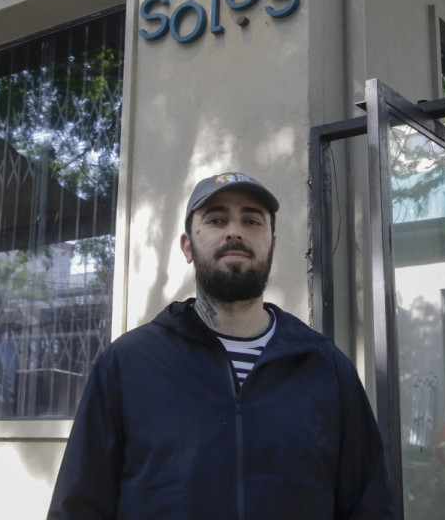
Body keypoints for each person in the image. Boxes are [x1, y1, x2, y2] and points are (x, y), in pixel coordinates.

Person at [47, 172, 394, 519]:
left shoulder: (326, 367)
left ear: (272, 245)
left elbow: (370, 505)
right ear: (187, 246)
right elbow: (78, 506)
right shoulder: (127, 364)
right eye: (216, 219)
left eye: (251, 220)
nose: (234, 231)